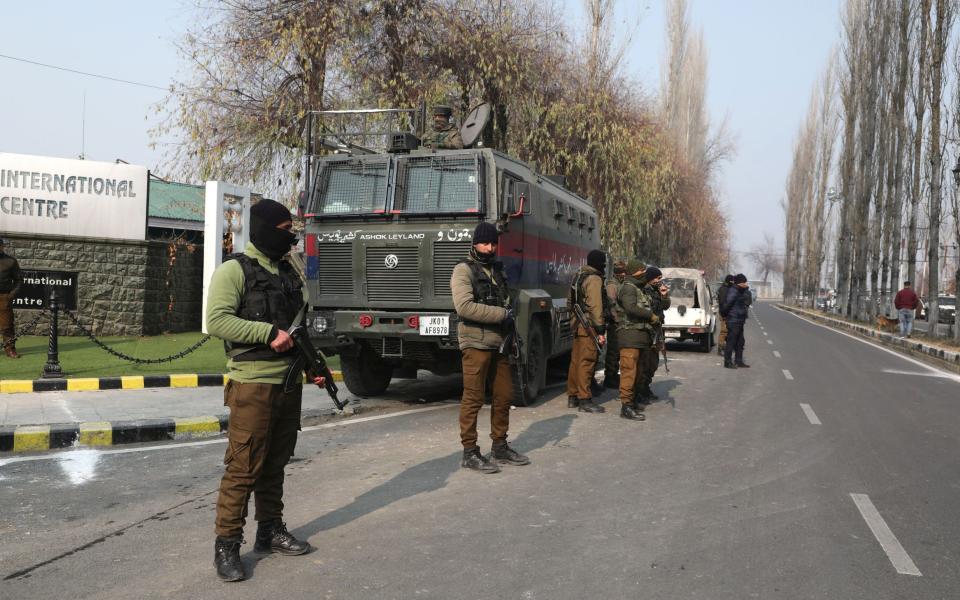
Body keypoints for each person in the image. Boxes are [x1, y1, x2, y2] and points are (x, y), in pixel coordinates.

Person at [206, 199, 316, 582]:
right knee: (243, 467)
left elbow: (299, 323)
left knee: (276, 463)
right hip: (252, 383)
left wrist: (313, 366)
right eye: (286, 229)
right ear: (267, 228)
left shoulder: (288, 271)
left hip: (288, 382)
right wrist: (266, 333)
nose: (291, 236)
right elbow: (216, 321)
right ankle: (227, 545)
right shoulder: (234, 271)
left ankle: (269, 530)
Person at [451, 222, 530, 474]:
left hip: (500, 343)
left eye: (494, 243)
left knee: (504, 395)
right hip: (475, 342)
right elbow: (464, 307)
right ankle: (470, 452)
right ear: (475, 243)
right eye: (486, 243)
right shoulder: (463, 270)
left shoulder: (497, 270)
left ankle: (500, 445)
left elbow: (509, 302)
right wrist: (500, 314)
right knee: (473, 398)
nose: (490, 248)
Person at [566, 250, 608, 413]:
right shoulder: (594, 279)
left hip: (578, 324)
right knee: (587, 362)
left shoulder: (579, 275)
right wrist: (600, 330)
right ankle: (585, 399)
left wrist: (575, 318)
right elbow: (595, 306)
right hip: (589, 326)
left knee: (576, 361)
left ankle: (573, 396)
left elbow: (569, 301)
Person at [615, 258, 657, 421]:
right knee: (629, 372)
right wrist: (650, 316)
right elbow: (631, 308)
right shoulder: (628, 288)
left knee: (638, 372)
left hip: (640, 337)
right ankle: (626, 406)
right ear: (634, 272)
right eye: (641, 271)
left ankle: (632, 402)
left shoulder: (640, 288)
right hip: (629, 336)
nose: (644, 274)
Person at [639, 267, 670, 404]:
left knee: (653, 362)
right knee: (644, 362)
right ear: (651, 278)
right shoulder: (643, 290)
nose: (660, 280)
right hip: (647, 329)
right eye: (658, 278)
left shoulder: (657, 290)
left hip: (657, 329)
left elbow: (665, 306)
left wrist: (664, 295)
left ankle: (646, 387)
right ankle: (640, 390)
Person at [603, 259, 627, 389]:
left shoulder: (621, 283)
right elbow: (611, 304)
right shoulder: (612, 285)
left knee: (618, 351)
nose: (624, 274)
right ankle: (610, 376)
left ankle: (613, 374)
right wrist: (616, 319)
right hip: (615, 323)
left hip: (621, 321)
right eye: (622, 272)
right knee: (613, 351)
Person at [722, 273, 752, 369]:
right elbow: (727, 304)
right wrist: (725, 315)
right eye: (744, 282)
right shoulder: (733, 291)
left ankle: (738, 361)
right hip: (733, 320)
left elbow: (746, 301)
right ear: (740, 282)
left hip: (739, 320)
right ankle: (727, 362)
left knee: (740, 342)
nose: (745, 284)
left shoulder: (740, 291)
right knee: (731, 342)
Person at [0, 237, 23, 359]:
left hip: (4, 297)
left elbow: (19, 280)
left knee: (7, 325)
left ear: (2, 246)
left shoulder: (10, 261)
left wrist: (11, 295)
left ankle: (10, 350)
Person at [715, 274, 734, 357]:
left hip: (728, 313)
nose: (733, 283)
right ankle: (720, 348)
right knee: (724, 331)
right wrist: (725, 314)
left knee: (728, 331)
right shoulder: (724, 289)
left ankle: (725, 347)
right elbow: (723, 303)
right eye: (732, 281)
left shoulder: (727, 288)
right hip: (724, 313)